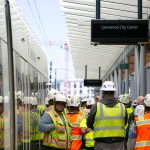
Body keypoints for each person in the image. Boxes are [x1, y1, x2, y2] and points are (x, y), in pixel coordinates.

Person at [87, 81, 128, 150]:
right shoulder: (122, 107)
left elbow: (89, 124)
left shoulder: (96, 107)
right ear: (114, 92)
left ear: (103, 92)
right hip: (119, 144)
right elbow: (125, 123)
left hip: (101, 144)